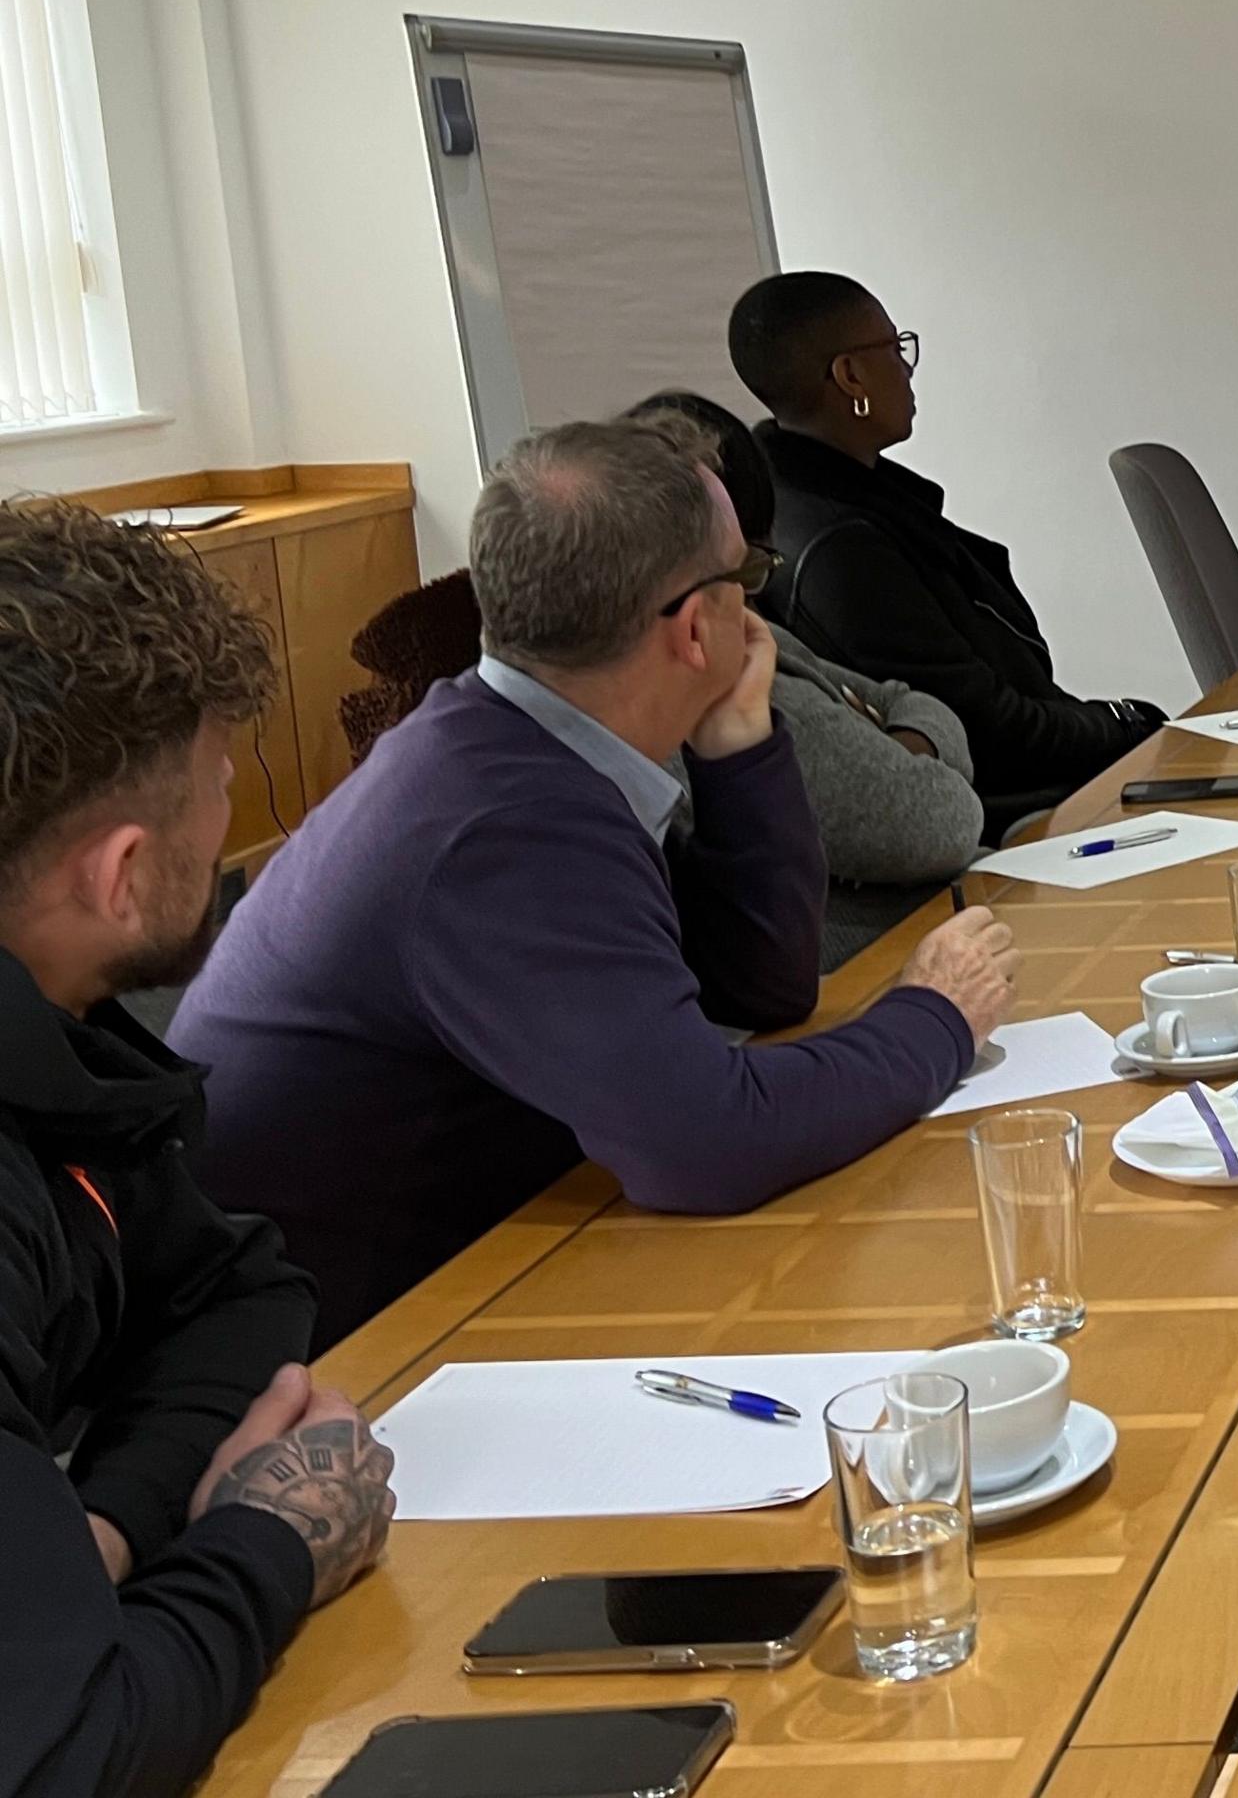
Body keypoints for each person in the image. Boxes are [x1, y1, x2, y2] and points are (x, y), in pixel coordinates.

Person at [180, 415, 1019, 1345]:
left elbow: (760, 986)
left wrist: (737, 746)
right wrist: (937, 1015)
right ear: (696, 626)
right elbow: (708, 1144)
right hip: (352, 1350)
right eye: (745, 578)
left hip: (468, 1263)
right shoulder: (506, 828)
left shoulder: (512, 742)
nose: (757, 613)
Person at [0, 500, 397, 1795]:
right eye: (221, 785)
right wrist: (271, 1537)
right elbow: (67, 1758)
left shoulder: (58, 1050)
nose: (231, 820)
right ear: (119, 874)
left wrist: (109, 1526)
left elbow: (235, 1293)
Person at [729, 271, 1163, 837]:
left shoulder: (812, 499)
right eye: (895, 349)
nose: (908, 369)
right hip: (1006, 819)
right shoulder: (843, 552)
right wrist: (1127, 722)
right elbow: (990, 730)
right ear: (850, 374)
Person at [634, 391, 987, 966]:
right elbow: (946, 821)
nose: (750, 598)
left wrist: (895, 746)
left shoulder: (754, 638)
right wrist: (888, 745)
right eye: (748, 568)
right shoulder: (739, 682)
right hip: (884, 963)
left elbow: (908, 699)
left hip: (918, 935)